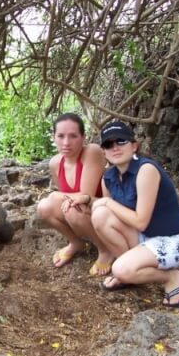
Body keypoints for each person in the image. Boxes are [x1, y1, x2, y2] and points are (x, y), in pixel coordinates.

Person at [90, 120, 179, 308]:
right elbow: (112, 215)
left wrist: (107, 202)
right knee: (100, 215)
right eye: (108, 144)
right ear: (103, 151)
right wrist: (102, 204)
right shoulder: (109, 177)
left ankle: (170, 277)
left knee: (119, 267)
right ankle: (128, 273)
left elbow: (141, 222)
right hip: (143, 238)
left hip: (169, 241)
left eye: (121, 141)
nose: (115, 148)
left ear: (134, 145)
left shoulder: (146, 170)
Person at [36, 113, 113, 274]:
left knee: (72, 209)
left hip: (102, 209)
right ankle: (76, 242)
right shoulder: (55, 163)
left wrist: (57, 197)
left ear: (83, 137)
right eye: (61, 136)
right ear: (54, 137)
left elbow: (86, 195)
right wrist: (57, 198)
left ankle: (106, 249)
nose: (66, 142)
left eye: (73, 136)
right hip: (82, 212)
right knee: (44, 207)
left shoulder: (92, 152)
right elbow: (64, 196)